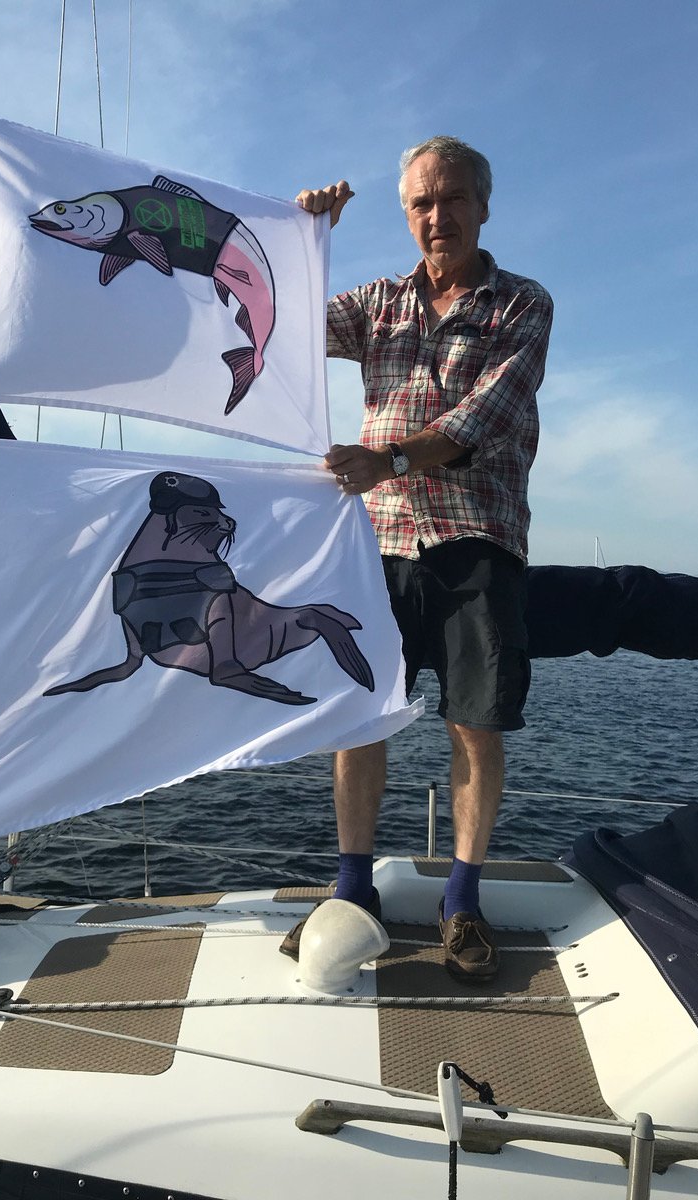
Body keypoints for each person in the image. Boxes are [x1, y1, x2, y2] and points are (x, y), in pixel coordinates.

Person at [285, 136, 553, 980]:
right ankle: (352, 889)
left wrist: (390, 460)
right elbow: (285, 329)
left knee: (473, 726)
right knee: (360, 720)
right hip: (381, 545)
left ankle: (462, 901)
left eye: (452, 199)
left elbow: (484, 418)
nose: (438, 218)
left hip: (477, 541)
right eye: (421, 205)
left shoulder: (521, 305)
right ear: (406, 215)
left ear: (482, 205)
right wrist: (298, 241)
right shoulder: (376, 303)